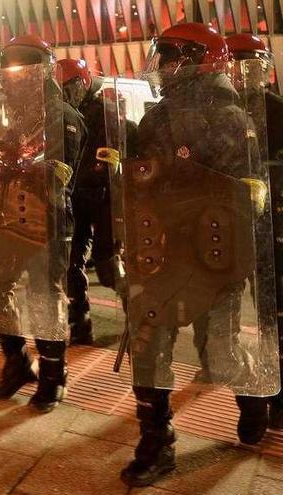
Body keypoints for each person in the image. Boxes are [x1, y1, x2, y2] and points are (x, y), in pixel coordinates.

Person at [119, 24, 272, 486]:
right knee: (149, 347)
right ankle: (156, 441)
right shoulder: (155, 117)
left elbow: (244, 195)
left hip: (213, 257)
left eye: (166, 56)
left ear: (193, 60)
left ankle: (251, 393)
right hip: (163, 252)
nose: (160, 66)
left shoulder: (230, 118)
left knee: (219, 353)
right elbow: (146, 181)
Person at [0, 35, 87, 413]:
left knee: (44, 298)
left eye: (19, 69)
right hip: (3, 216)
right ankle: (16, 360)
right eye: (7, 69)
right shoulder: (7, 113)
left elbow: (59, 175)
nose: (10, 77)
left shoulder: (61, 115)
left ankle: (54, 376)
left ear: (39, 69)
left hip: (45, 220)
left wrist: (20, 163)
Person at [226, 34, 283, 430]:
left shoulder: (277, 111)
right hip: (222, 231)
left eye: (252, 65)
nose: (245, 74)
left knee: (271, 320)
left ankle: (274, 399)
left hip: (271, 231)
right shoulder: (216, 113)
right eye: (237, 65)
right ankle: (249, 401)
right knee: (225, 323)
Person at [56, 58, 133, 345]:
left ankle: (139, 318)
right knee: (71, 263)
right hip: (76, 196)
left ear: (81, 83)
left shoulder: (106, 111)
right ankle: (80, 324)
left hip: (103, 198)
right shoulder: (64, 113)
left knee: (108, 263)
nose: (64, 93)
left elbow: (118, 151)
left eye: (68, 86)